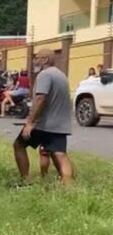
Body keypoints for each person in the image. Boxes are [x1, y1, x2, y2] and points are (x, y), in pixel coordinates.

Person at [14, 49, 74, 185]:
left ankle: (25, 181)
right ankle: (69, 187)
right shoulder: (61, 75)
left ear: (45, 59)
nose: (35, 61)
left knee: (19, 145)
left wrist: (30, 122)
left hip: (42, 124)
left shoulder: (44, 75)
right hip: (60, 125)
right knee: (60, 154)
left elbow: (40, 98)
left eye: (37, 58)